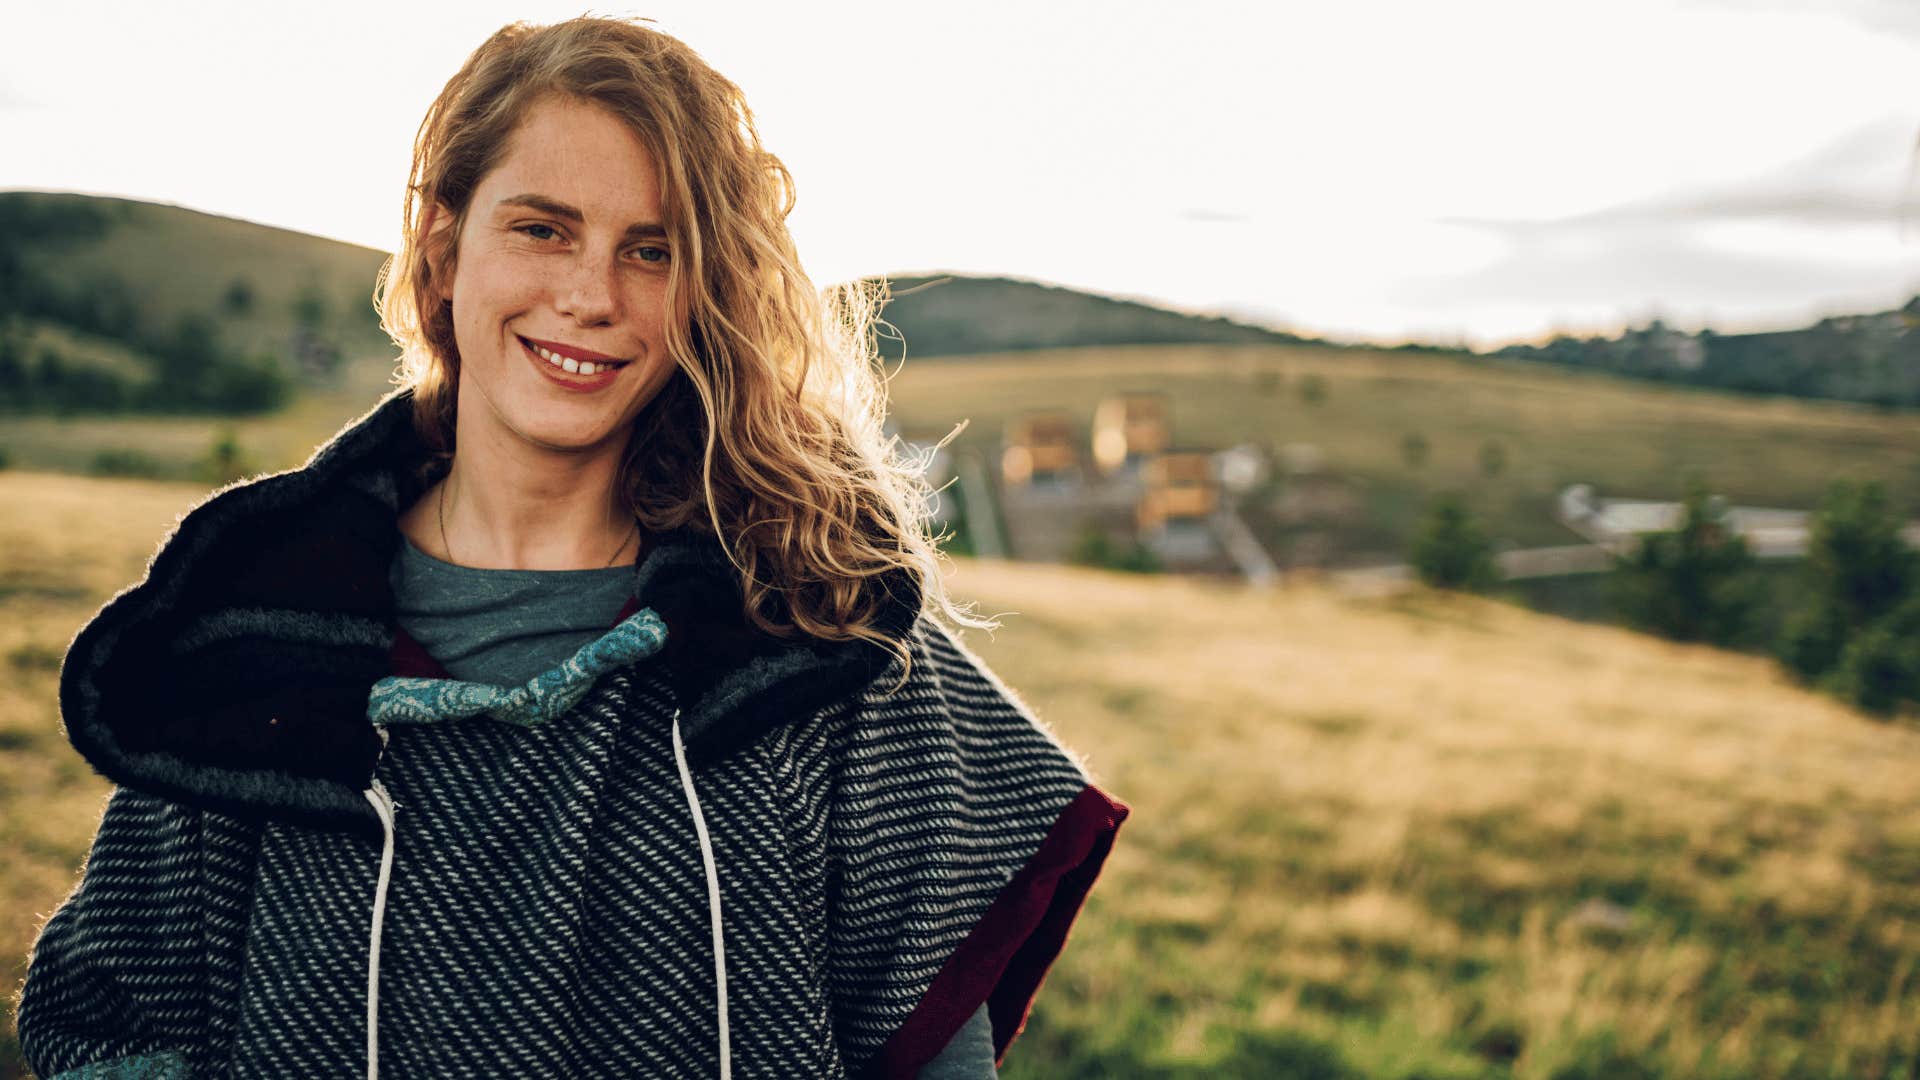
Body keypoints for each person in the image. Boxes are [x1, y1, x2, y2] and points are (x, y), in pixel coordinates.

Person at [12, 15, 1127, 1080]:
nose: (592, 296)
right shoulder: (254, 624)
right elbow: (117, 1029)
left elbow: (935, 1060)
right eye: (542, 228)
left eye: (652, 250)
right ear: (445, 250)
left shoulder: (815, 629)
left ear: (705, 294)